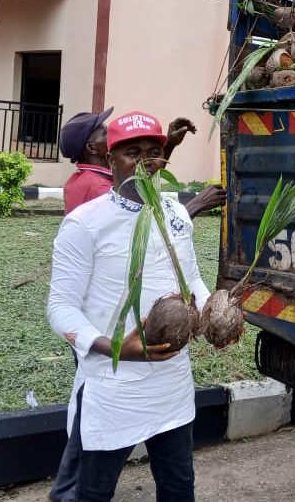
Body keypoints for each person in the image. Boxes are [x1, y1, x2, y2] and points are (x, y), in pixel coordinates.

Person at [48, 110, 231, 502]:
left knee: (179, 488)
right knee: (93, 493)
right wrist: (115, 347)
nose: (145, 160)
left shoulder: (177, 214)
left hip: (172, 386)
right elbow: (60, 309)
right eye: (133, 152)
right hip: (114, 387)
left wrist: (216, 311)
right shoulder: (86, 224)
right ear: (110, 158)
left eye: (153, 151)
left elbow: (191, 279)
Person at [58, 109, 225, 217]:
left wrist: (169, 144)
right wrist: (197, 204)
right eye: (105, 132)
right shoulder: (98, 188)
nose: (113, 135)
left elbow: (143, 176)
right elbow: (145, 229)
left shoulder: (85, 178)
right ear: (92, 148)